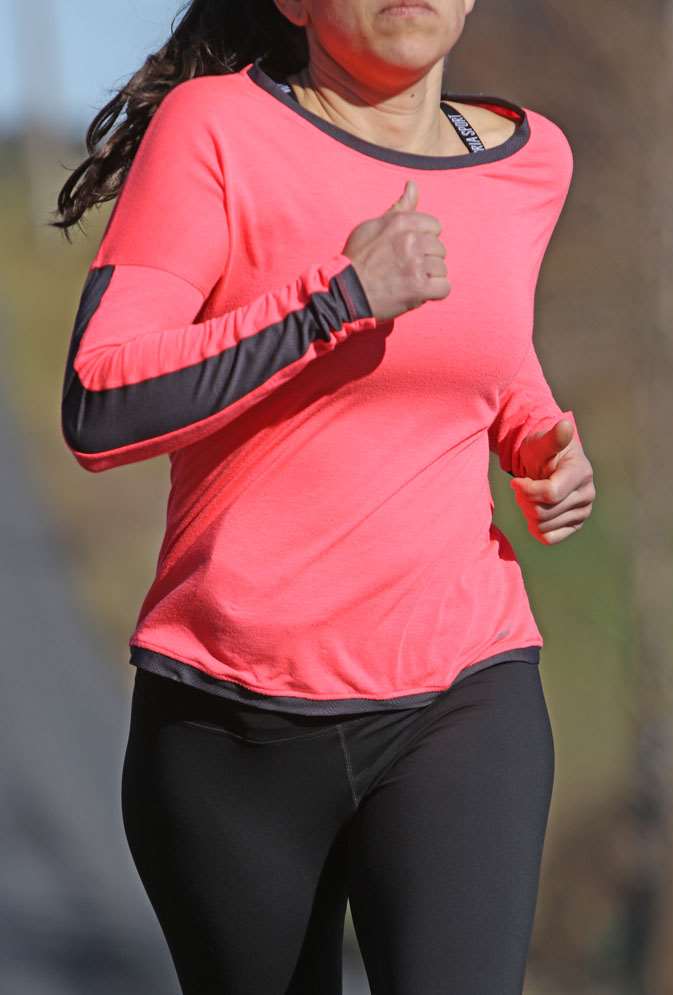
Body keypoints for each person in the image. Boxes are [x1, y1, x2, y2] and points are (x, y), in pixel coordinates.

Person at [53, 1, 596, 992]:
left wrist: (538, 440)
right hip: (233, 720)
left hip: (459, 692)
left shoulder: (529, 161)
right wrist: (334, 300)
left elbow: (492, 353)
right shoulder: (214, 127)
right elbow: (101, 400)